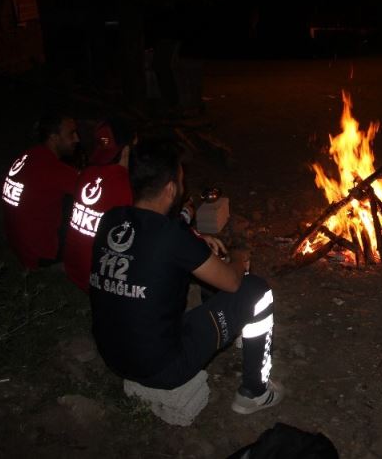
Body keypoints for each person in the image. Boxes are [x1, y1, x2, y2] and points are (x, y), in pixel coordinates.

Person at [89, 139, 282, 414]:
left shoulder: (110, 219)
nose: (183, 185)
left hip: (113, 356)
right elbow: (232, 281)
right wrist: (240, 256)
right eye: (180, 180)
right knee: (256, 289)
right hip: (163, 368)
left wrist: (196, 239)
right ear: (170, 188)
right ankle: (255, 392)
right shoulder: (172, 237)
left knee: (200, 277)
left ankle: (235, 328)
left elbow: (153, 243)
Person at [63, 118, 136, 292]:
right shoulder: (127, 186)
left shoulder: (85, 174)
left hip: (73, 269)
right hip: (98, 283)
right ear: (128, 148)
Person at [2, 108, 80, 269]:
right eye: (71, 134)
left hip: (18, 243)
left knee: (67, 200)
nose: (77, 139)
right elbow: (99, 193)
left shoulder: (27, 156)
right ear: (54, 137)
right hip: (39, 254)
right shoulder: (52, 168)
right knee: (89, 214)